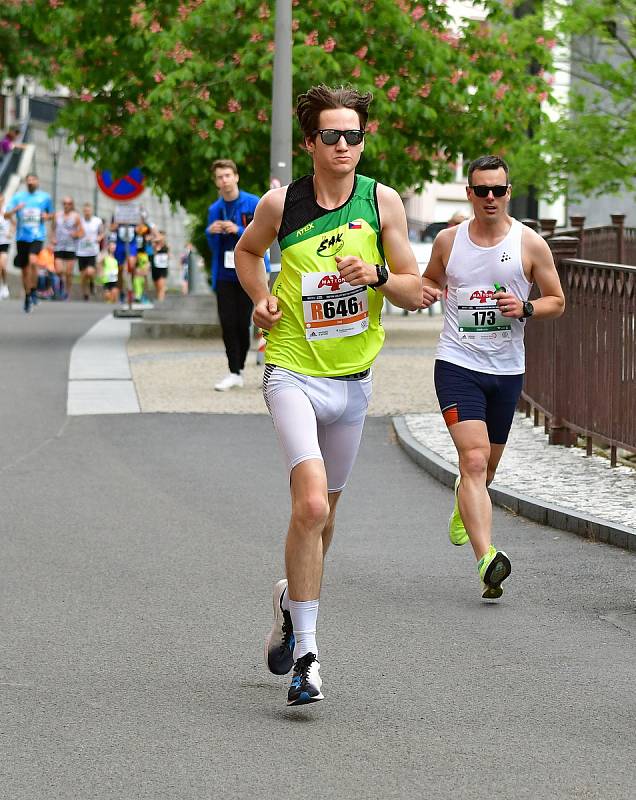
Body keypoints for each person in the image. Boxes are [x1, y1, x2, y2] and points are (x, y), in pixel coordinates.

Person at [235, 84, 421, 706]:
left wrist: (379, 276)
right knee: (310, 506)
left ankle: (290, 599)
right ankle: (308, 658)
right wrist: (260, 298)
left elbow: (415, 288)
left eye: (355, 136)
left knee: (324, 517)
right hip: (291, 368)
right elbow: (248, 253)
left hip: (354, 380)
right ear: (310, 143)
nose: (345, 146)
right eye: (333, 136)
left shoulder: (382, 202)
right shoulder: (280, 204)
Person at [419, 154, 565, 600]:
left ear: (507, 191)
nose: (489, 198)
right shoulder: (449, 241)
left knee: (487, 469)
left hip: (506, 370)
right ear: (469, 192)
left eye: (498, 190)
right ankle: (488, 560)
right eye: (480, 190)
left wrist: (525, 308)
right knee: (475, 459)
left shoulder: (530, 243)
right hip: (457, 364)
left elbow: (556, 300)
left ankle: (467, 501)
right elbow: (428, 282)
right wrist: (422, 292)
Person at [206, 159, 269, 391]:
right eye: (220, 177)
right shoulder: (215, 209)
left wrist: (238, 230)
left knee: (244, 323)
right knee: (227, 323)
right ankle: (234, 370)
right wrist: (212, 231)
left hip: (249, 272)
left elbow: (263, 236)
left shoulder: (253, 203)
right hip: (224, 274)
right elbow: (213, 247)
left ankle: (247, 366)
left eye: (227, 176)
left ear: (236, 177)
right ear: (216, 182)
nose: (224, 181)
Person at [4, 173, 54, 312]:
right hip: (22, 237)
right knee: (25, 270)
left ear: (37, 181)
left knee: (33, 261)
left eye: (33, 180)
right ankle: (28, 295)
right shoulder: (18, 197)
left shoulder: (45, 197)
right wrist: (15, 209)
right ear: (26, 183)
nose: (31, 182)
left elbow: (52, 214)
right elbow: (6, 215)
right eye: (28, 180)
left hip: (37, 235)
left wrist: (47, 216)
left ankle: (33, 289)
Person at [52, 196, 83, 299]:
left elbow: (82, 231)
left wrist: (76, 234)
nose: (66, 205)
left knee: (69, 273)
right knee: (59, 270)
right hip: (59, 246)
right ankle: (60, 285)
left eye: (69, 203)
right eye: (65, 203)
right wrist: (52, 239)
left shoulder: (76, 216)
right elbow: (52, 228)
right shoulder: (57, 215)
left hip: (71, 247)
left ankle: (67, 292)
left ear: (72, 205)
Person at [76, 202, 103, 301]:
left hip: (92, 250)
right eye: (85, 211)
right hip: (81, 251)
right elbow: (76, 232)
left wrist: (99, 238)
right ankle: (85, 294)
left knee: (90, 272)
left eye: (88, 211)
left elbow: (102, 233)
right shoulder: (80, 221)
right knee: (83, 275)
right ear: (83, 212)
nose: (87, 213)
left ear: (91, 211)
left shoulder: (97, 221)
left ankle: (92, 282)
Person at [0, 191, 14, 299]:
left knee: (3, 266)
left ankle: (4, 285)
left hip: (4, 242)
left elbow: (14, 224)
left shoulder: (6, 211)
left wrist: (10, 232)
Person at [151, 229, 169, 302]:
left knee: (161, 286)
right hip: (155, 267)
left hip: (163, 268)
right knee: (157, 286)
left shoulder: (166, 246)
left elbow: (169, 255)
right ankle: (159, 299)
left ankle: (161, 301)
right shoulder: (154, 245)